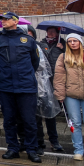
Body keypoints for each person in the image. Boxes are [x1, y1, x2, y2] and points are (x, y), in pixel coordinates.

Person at [0, 12, 41, 163]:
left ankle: (31, 149)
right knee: (9, 120)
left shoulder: (28, 40)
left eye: (6, 19)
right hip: (6, 87)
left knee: (29, 120)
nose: (3, 22)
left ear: (15, 21)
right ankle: (13, 148)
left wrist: (25, 75)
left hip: (26, 86)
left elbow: (34, 62)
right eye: (2, 20)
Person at [53, 33, 84, 162]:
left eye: (75, 41)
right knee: (75, 123)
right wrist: (60, 93)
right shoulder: (63, 57)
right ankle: (78, 150)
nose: (73, 43)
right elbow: (59, 77)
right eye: (70, 41)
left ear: (80, 42)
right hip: (71, 94)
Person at [32, 25, 65, 154]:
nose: (50, 33)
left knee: (52, 114)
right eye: (49, 31)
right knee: (38, 114)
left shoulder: (63, 44)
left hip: (56, 82)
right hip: (41, 83)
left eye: (53, 31)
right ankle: (40, 141)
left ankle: (54, 140)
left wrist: (62, 51)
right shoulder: (41, 44)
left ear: (57, 33)